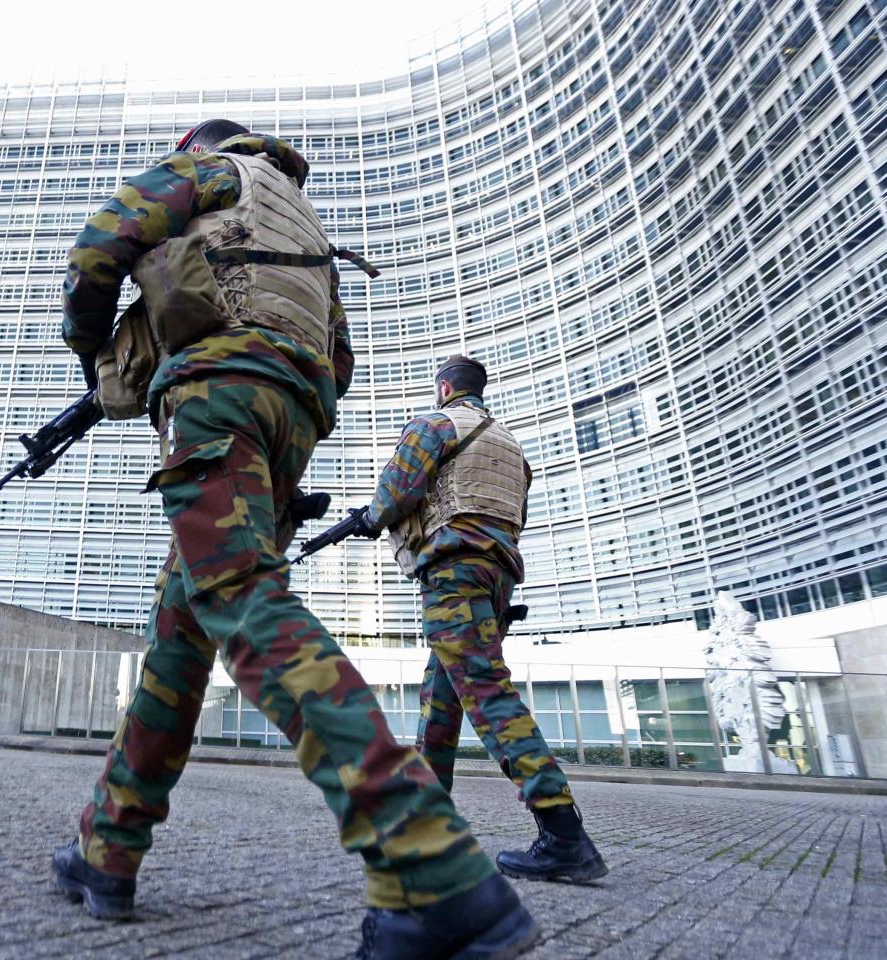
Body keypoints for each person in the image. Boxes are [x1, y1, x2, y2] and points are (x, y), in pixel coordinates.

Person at [50, 119, 540, 960]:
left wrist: (93, 347)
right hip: (293, 416)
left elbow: (103, 241)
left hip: (219, 401)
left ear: (208, 142)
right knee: (184, 628)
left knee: (238, 596)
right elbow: (339, 358)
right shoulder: (307, 226)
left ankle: (431, 865)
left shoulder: (208, 173)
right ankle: (109, 849)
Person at [351, 354, 606, 884]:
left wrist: (369, 520)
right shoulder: (512, 448)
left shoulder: (434, 425)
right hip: (496, 577)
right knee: (442, 701)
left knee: (486, 693)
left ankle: (563, 835)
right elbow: (516, 519)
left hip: (454, 573)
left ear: (444, 388)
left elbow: (396, 494)